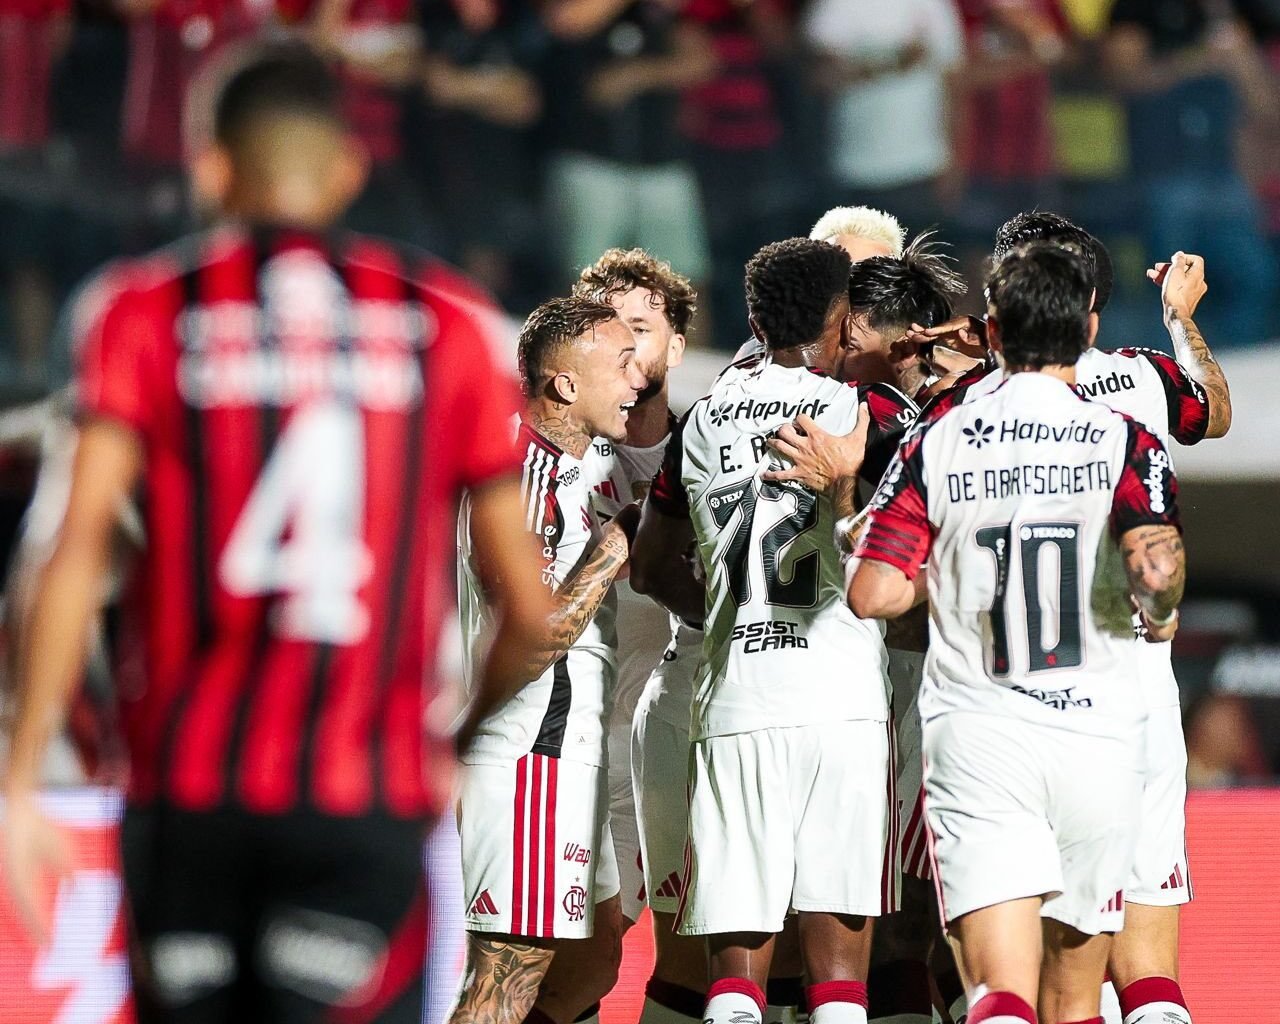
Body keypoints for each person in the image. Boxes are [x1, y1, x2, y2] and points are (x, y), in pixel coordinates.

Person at [2, 41, 551, 1023]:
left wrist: (21, 770)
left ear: (207, 163)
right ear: (348, 170)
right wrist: (452, 741)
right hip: (366, 797)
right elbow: (526, 604)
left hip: (187, 793)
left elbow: (69, 549)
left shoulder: (139, 311)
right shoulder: (450, 325)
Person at [848, 241, 1188, 1024]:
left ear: (992, 333)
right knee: (1076, 1001)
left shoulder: (940, 438)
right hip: (1096, 739)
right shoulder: (1121, 438)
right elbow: (1156, 570)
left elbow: (873, 592)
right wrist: (1159, 617)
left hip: (981, 735)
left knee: (1000, 997)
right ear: (1089, 325)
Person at [673, 238, 916, 1024]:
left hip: (738, 699)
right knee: (841, 986)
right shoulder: (867, 414)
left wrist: (718, 612)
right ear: (843, 322)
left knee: (735, 991)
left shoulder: (702, 420)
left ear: (751, 319)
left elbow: (651, 558)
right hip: (840, 702)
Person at [452, 295, 646, 1024]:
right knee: (506, 977)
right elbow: (528, 638)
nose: (638, 380)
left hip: (573, 753)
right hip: (534, 749)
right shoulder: (525, 476)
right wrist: (612, 548)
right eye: (622, 364)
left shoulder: (571, 464)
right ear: (565, 385)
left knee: (593, 959)